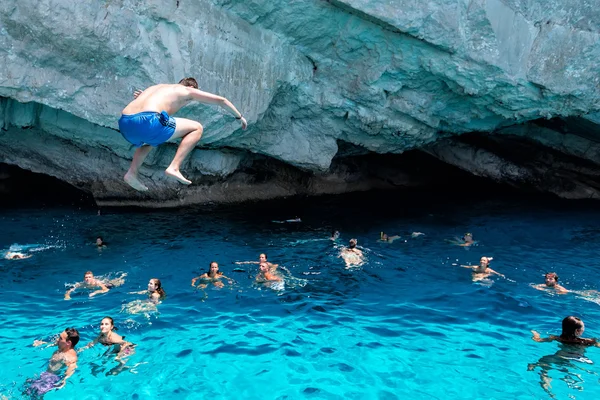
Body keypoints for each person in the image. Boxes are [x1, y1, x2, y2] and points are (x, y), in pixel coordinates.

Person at [118, 77, 247, 191]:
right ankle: (174, 167)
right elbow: (221, 100)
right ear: (190, 87)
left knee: (150, 141)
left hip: (125, 124)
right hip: (149, 121)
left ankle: (132, 173)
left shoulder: (156, 88)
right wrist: (239, 117)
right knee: (196, 128)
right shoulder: (186, 90)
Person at [29, 328, 79, 393]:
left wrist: (64, 380)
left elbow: (72, 367)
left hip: (51, 379)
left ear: (68, 343)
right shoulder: (63, 345)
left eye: (60, 338)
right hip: (44, 375)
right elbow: (54, 343)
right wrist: (42, 343)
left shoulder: (69, 356)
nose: (57, 339)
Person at [531, 316, 599, 346]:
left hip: (561, 356)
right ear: (577, 331)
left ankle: (544, 374)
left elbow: (538, 340)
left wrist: (536, 334)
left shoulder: (558, 338)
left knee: (544, 361)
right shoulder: (587, 341)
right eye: (583, 328)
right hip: (579, 359)